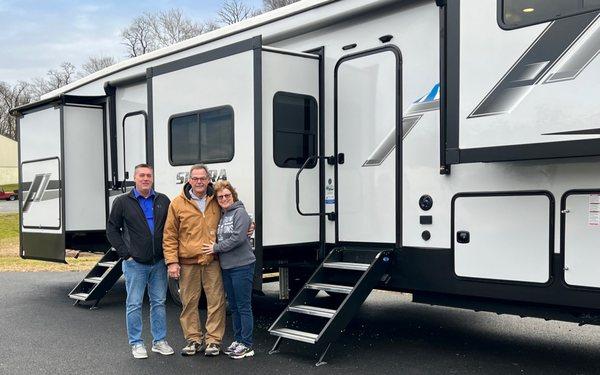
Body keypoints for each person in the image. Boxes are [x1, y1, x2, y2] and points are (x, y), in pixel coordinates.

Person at [106, 163, 174, 359]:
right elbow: (112, 229)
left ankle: (159, 341)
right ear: (135, 178)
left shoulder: (163, 200)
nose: (145, 178)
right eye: (142, 175)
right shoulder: (122, 202)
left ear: (152, 178)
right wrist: (125, 253)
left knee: (159, 302)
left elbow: (171, 227)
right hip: (135, 263)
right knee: (134, 303)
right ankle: (136, 343)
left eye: (149, 175)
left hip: (159, 262)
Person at [163, 164, 226, 357]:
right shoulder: (177, 203)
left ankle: (213, 341)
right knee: (189, 302)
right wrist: (172, 262)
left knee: (216, 301)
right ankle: (193, 340)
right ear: (189, 180)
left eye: (203, 178)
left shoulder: (217, 199)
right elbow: (170, 235)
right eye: (195, 178)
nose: (199, 182)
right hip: (187, 262)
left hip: (212, 261)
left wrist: (249, 226)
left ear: (208, 179)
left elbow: (234, 212)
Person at [202, 180, 256, 359]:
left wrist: (216, 248)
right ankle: (238, 340)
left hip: (242, 266)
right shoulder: (223, 215)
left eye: (227, 195)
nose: (224, 198)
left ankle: (247, 345)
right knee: (233, 306)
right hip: (227, 267)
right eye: (220, 197)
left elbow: (238, 238)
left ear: (233, 195)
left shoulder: (239, 212)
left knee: (243, 305)